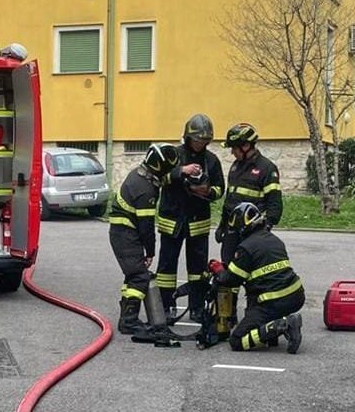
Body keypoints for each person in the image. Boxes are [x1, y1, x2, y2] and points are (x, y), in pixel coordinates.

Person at [154, 113, 225, 322]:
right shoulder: (174, 155)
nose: (200, 144)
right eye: (197, 140)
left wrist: (207, 192)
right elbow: (161, 178)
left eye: (204, 141)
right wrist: (181, 171)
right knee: (166, 268)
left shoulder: (211, 160)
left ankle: (196, 307)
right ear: (188, 137)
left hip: (198, 222)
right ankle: (166, 306)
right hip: (172, 220)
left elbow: (221, 189)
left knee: (197, 270)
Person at [208, 201, 304, 353]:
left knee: (237, 341)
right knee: (255, 305)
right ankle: (272, 332)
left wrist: (218, 269)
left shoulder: (246, 248)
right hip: (296, 296)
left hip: (273, 302)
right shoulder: (274, 239)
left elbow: (230, 279)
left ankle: (282, 325)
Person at [108, 143, 179, 335]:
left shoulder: (139, 176)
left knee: (132, 275)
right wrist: (150, 252)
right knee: (139, 276)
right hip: (126, 235)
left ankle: (127, 317)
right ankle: (129, 321)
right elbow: (146, 227)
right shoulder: (146, 190)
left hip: (123, 233)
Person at [217, 123, 282, 266]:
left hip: (253, 233)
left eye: (234, 148)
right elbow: (230, 198)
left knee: (252, 272)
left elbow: (275, 204)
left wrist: (266, 228)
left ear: (246, 146)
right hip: (232, 231)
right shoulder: (235, 167)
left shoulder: (267, 168)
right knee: (228, 271)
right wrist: (222, 225)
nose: (232, 152)